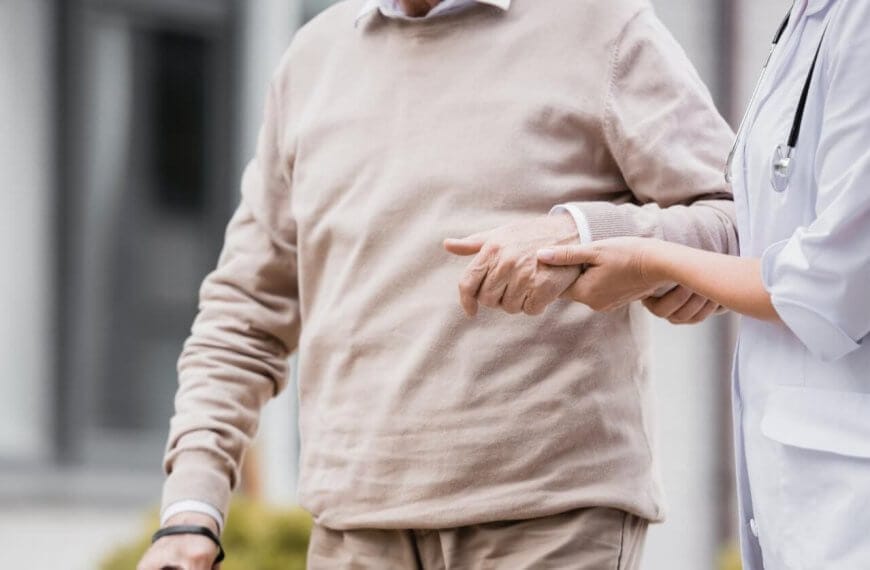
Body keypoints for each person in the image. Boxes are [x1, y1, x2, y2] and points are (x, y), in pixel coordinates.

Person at [138, 0, 739, 569]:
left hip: (550, 521)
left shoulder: (601, 26)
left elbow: (739, 223)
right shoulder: (311, 59)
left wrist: (582, 233)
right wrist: (191, 508)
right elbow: (244, 310)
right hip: (353, 532)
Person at [533, 1, 870, 569]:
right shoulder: (809, 17)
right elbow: (765, 227)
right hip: (806, 492)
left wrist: (652, 261)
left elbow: (832, 285)